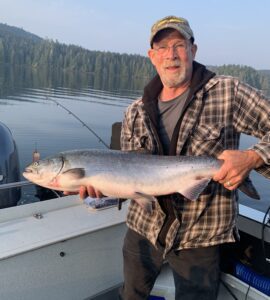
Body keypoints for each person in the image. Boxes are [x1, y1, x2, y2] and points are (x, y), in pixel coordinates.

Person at [77, 16, 270, 299]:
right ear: (152, 56)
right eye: (163, 47)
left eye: (179, 45)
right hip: (143, 229)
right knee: (130, 295)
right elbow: (128, 176)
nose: (171, 54)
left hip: (200, 236)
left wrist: (252, 158)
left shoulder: (227, 92)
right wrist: (101, 190)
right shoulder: (135, 112)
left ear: (193, 50)